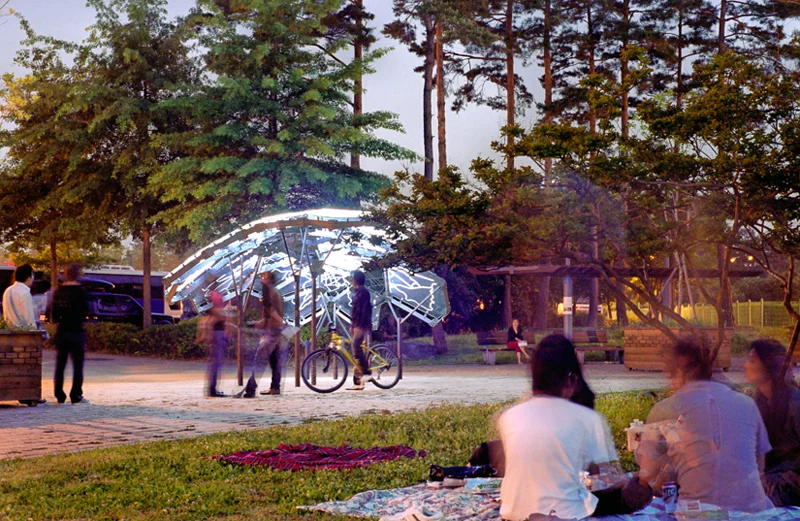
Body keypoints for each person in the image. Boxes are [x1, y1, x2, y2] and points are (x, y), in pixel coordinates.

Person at [498, 334, 647, 520]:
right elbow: (609, 479)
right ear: (571, 380)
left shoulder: (509, 416)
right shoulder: (587, 419)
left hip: (512, 514)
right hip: (564, 515)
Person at [637, 339, 774, 512]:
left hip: (698, 514)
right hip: (755, 512)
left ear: (679, 372)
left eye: (670, 374)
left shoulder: (666, 409)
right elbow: (759, 465)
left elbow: (646, 475)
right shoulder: (746, 403)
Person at [745, 339, 800, 506]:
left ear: (769, 366)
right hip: (767, 474)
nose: (746, 365)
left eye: (752, 360)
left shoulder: (794, 403)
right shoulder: (757, 400)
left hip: (790, 480)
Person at [51, 264, 90, 405]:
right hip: (77, 331)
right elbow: (86, 312)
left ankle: (59, 395)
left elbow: (53, 314)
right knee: (78, 365)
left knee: (60, 365)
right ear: (78, 274)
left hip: (62, 331)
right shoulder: (81, 292)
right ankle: (76, 395)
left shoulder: (58, 292)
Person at [243, 271, 285, 397]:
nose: (261, 280)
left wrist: (280, 322)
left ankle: (250, 389)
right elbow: (271, 314)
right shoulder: (277, 293)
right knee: (275, 361)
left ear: (270, 281)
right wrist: (259, 323)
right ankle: (275, 387)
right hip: (276, 331)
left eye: (264, 277)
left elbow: (272, 312)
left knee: (259, 361)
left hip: (272, 332)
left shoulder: (270, 294)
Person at [196, 291, 231, 397]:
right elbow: (214, 314)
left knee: (214, 362)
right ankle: (212, 389)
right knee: (216, 362)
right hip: (216, 333)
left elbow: (207, 318)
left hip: (216, 332)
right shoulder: (214, 294)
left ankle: (212, 388)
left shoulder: (210, 293)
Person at [347, 270, 373, 391]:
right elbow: (355, 312)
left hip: (362, 325)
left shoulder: (364, 293)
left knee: (356, 346)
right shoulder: (358, 293)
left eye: (352, 279)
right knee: (355, 352)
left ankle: (367, 373)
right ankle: (357, 382)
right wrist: (352, 325)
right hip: (357, 325)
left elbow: (363, 312)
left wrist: (359, 327)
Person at [2, 264, 37, 329]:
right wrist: (34, 331)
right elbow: (29, 317)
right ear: (29, 277)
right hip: (23, 332)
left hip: (9, 331)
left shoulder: (8, 290)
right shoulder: (25, 292)